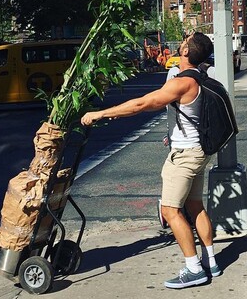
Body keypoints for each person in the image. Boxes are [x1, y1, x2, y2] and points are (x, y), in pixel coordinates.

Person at [81, 32, 222, 289]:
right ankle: (210, 261)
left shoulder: (183, 82)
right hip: (198, 152)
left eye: (183, 43)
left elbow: (143, 103)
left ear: (188, 52)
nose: (179, 46)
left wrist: (101, 113)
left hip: (184, 156)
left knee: (170, 210)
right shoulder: (201, 77)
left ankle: (194, 269)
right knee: (195, 207)